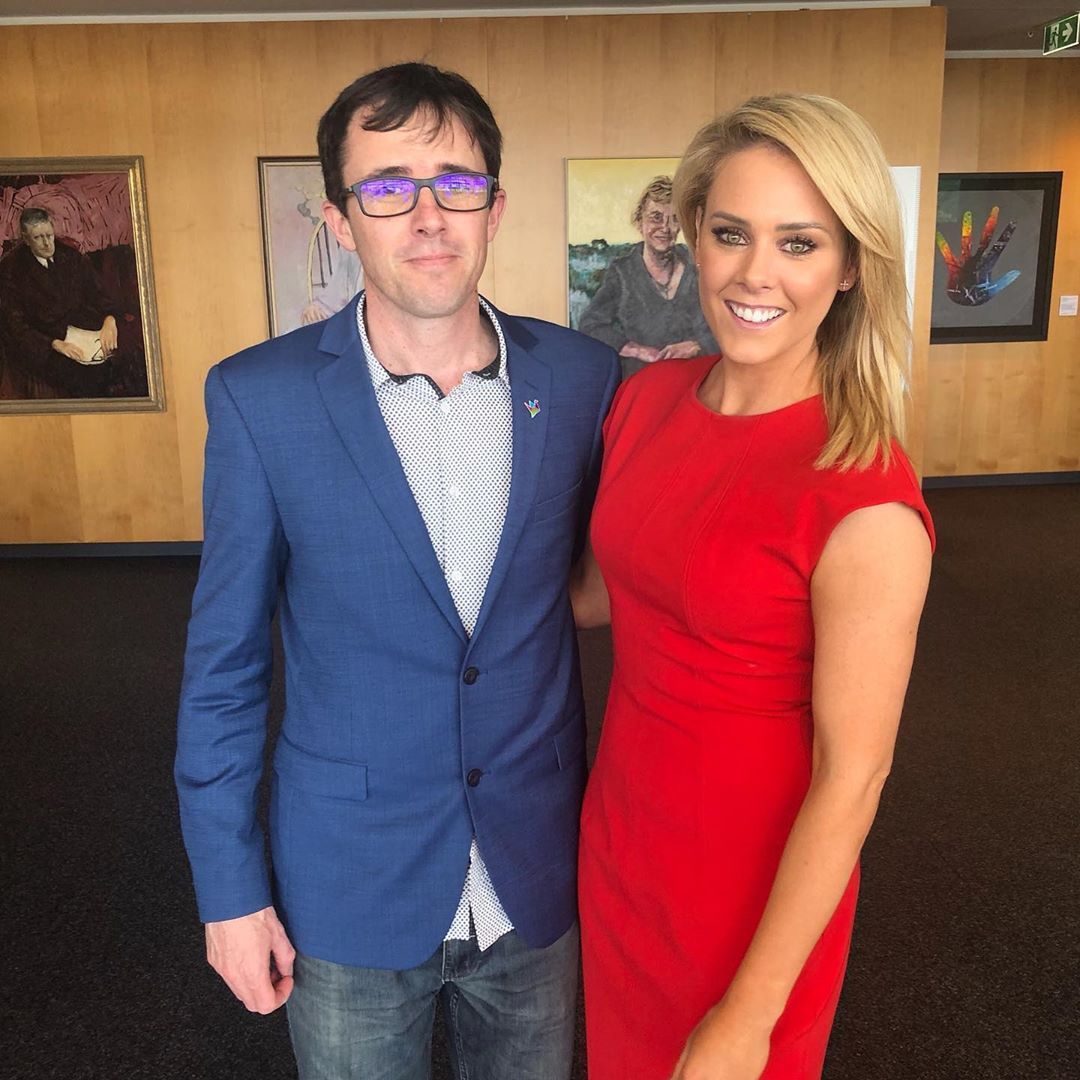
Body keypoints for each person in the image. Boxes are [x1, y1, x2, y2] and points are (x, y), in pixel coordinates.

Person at [174, 62, 619, 1080]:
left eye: (456, 183)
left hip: (536, 871)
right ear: (340, 220)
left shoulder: (583, 381)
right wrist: (229, 892)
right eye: (386, 188)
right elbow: (224, 669)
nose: (427, 216)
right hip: (349, 883)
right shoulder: (260, 400)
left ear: (494, 208)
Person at [573, 94, 934, 1079]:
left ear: (850, 265)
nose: (753, 273)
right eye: (731, 233)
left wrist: (750, 1013)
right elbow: (600, 594)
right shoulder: (647, 401)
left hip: (753, 893)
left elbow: (854, 776)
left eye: (799, 243)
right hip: (624, 839)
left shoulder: (865, 496)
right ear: (695, 232)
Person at [579, 174, 717, 381]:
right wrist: (636, 350)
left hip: (696, 382)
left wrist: (697, 346)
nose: (665, 228)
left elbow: (727, 326)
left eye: (674, 219)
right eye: (656, 217)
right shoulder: (622, 272)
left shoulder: (698, 267)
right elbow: (590, 324)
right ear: (639, 221)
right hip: (640, 383)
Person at [0, 207, 144, 399]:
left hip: (84, 330)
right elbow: (15, 326)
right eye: (38, 238)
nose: (47, 243)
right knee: (83, 376)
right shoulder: (10, 270)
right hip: (46, 341)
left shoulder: (71, 256)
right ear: (26, 239)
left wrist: (109, 320)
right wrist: (55, 344)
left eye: (49, 235)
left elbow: (99, 295)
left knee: (131, 355)